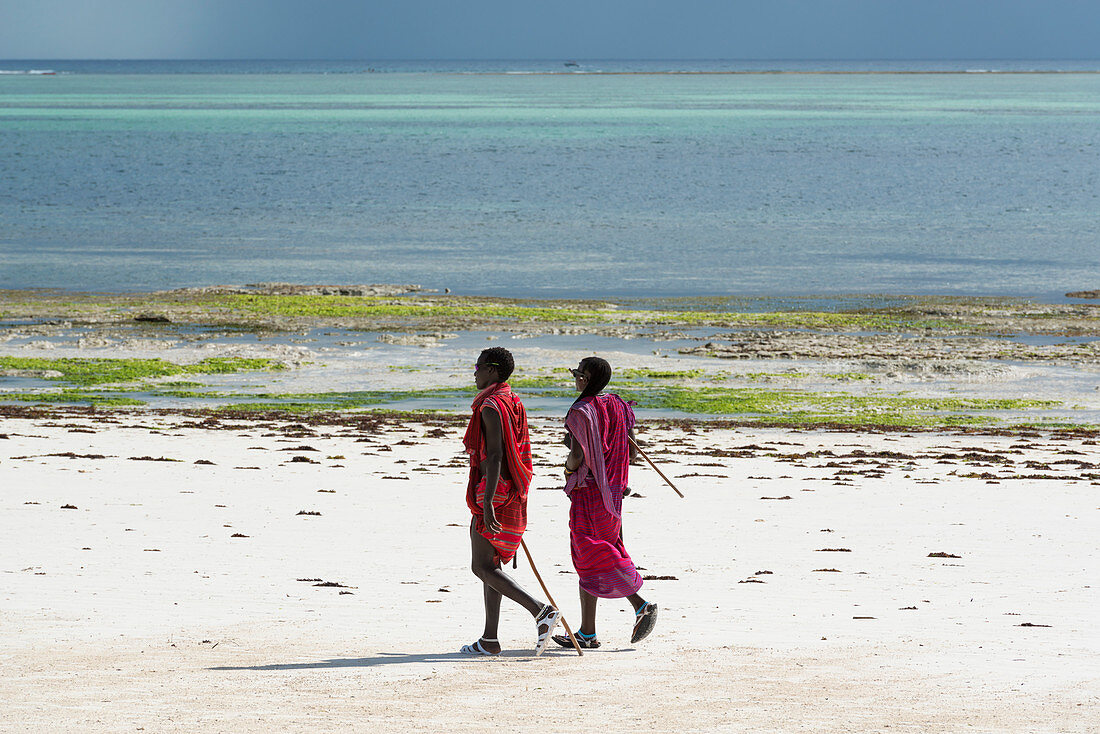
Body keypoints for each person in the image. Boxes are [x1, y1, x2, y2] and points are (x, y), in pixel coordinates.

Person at [460, 347, 561, 656]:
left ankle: (541, 611)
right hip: (514, 491)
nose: (474, 372)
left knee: (481, 567)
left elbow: (494, 456)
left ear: (492, 370)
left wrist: (487, 501)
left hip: (495, 493)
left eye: (477, 367)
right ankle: (490, 640)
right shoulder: (512, 400)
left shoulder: (490, 406)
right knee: (491, 566)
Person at [553, 356, 657, 650]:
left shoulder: (581, 411)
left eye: (577, 373)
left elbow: (577, 455)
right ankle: (587, 632)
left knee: (591, 552)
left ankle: (641, 604)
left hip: (590, 491)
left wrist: (569, 472)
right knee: (597, 553)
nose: (575, 376)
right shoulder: (618, 406)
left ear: (585, 379)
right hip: (614, 491)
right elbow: (630, 449)